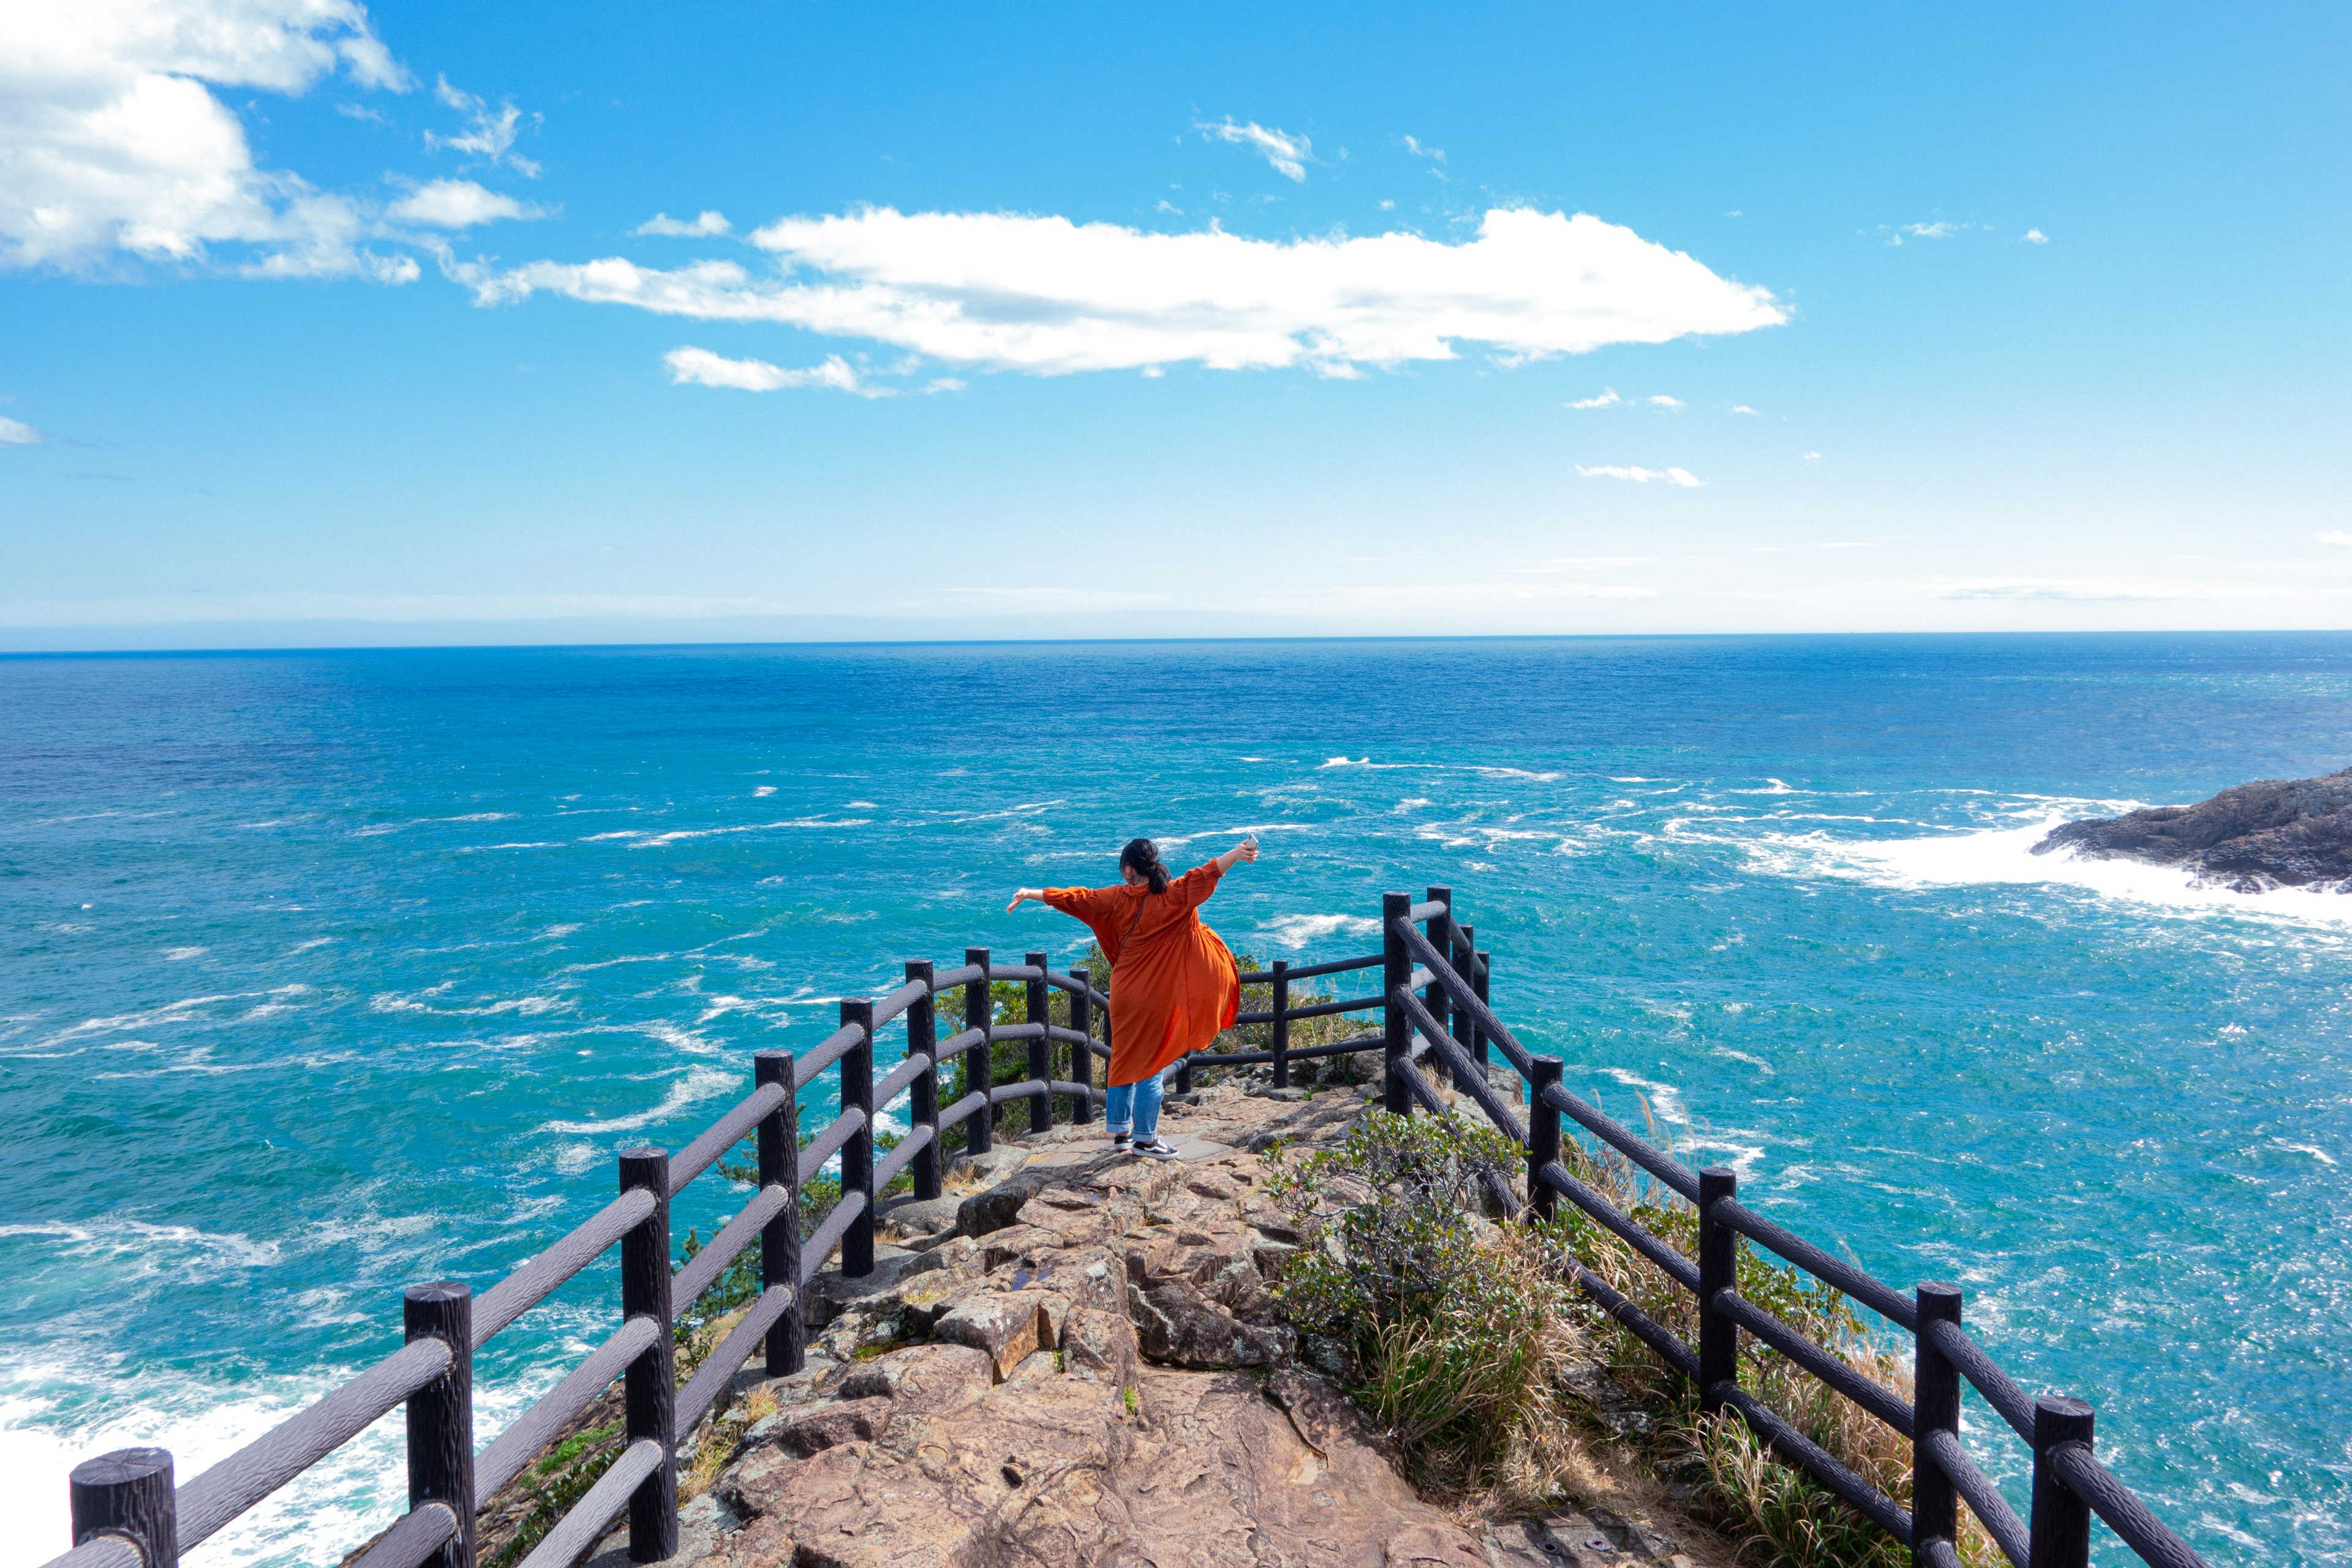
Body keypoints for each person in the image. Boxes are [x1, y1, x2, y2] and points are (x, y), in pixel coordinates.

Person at [1006, 834, 1260, 1158]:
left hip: (1125, 993)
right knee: (1151, 1064)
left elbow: (1076, 898)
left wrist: (1030, 893)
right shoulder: (1174, 896)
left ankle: (1121, 1134)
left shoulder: (1113, 899)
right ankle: (1146, 1139)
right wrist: (1237, 854)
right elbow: (1207, 873)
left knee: (1124, 1060)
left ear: (1128, 870)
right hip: (1156, 996)